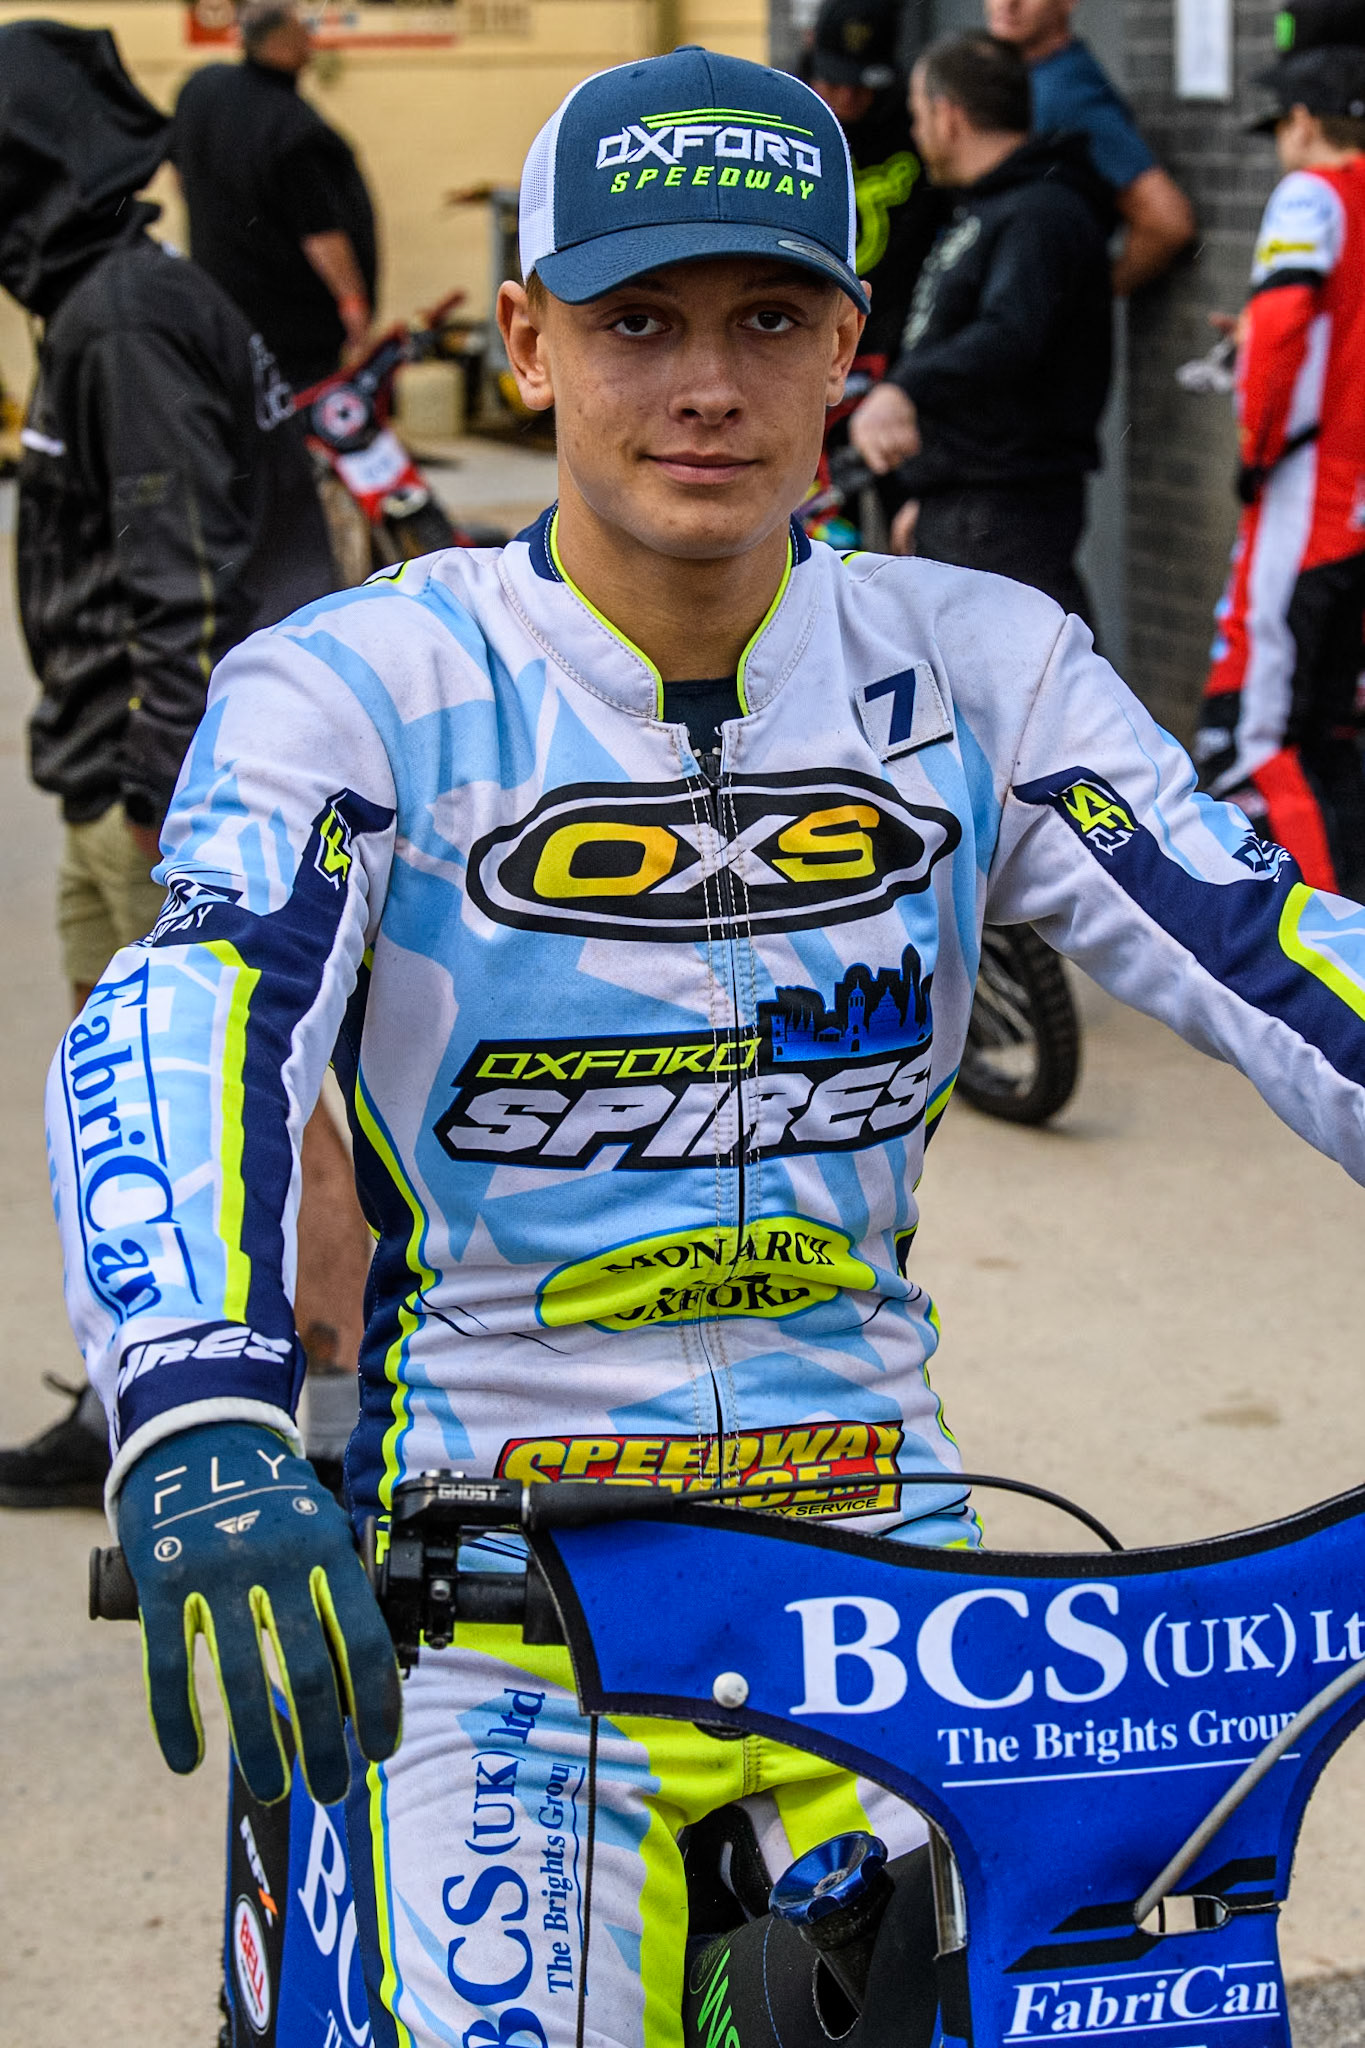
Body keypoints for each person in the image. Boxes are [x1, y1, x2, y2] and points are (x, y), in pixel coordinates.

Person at [44, 41, 1365, 2048]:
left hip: (890, 1594)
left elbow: (1273, 952)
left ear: (848, 334)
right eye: (635, 317)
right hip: (479, 1595)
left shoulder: (977, 663)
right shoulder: (361, 683)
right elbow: (198, 993)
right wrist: (199, 1393)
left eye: (768, 317)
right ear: (525, 337)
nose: (705, 385)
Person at [0, 20, 342, 1507]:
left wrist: (169, 808)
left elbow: (187, 580)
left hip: (177, 795)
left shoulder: (124, 318)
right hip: (131, 778)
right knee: (139, 1116)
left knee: (243, 1113)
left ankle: (327, 1429)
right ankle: (147, 1393)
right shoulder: (118, 296)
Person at [848, 33, 1112, 616]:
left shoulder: (1042, 212)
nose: (916, 135)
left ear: (948, 117)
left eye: (918, 117)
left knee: (1026, 691)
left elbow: (1009, 334)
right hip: (965, 506)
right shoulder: (991, 207)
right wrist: (932, 492)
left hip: (1008, 515)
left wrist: (903, 392)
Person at [1194, 31, 1365, 898]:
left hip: (1311, 501)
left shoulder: (1310, 192)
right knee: (1334, 730)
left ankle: (1338, 968)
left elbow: (1292, 314)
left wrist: (1252, 446)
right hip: (1355, 514)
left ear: (1302, 120)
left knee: (1257, 742)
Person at [172, 0, 379, 389]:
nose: (311, 40)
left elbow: (181, 178)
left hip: (219, 310)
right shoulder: (291, 125)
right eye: (303, 30)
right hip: (294, 330)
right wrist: (353, 305)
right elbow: (320, 231)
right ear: (285, 41)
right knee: (293, 426)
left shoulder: (200, 91)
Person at [984, 0, 1194, 293]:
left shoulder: (1065, 93)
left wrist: (1084, 300)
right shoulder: (1023, 78)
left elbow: (1167, 222)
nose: (1007, 3)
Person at [804, 0, 942, 372]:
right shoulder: (787, 116)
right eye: (835, 82)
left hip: (896, 336)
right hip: (809, 324)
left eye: (863, 85)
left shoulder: (914, 123)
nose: (849, 97)